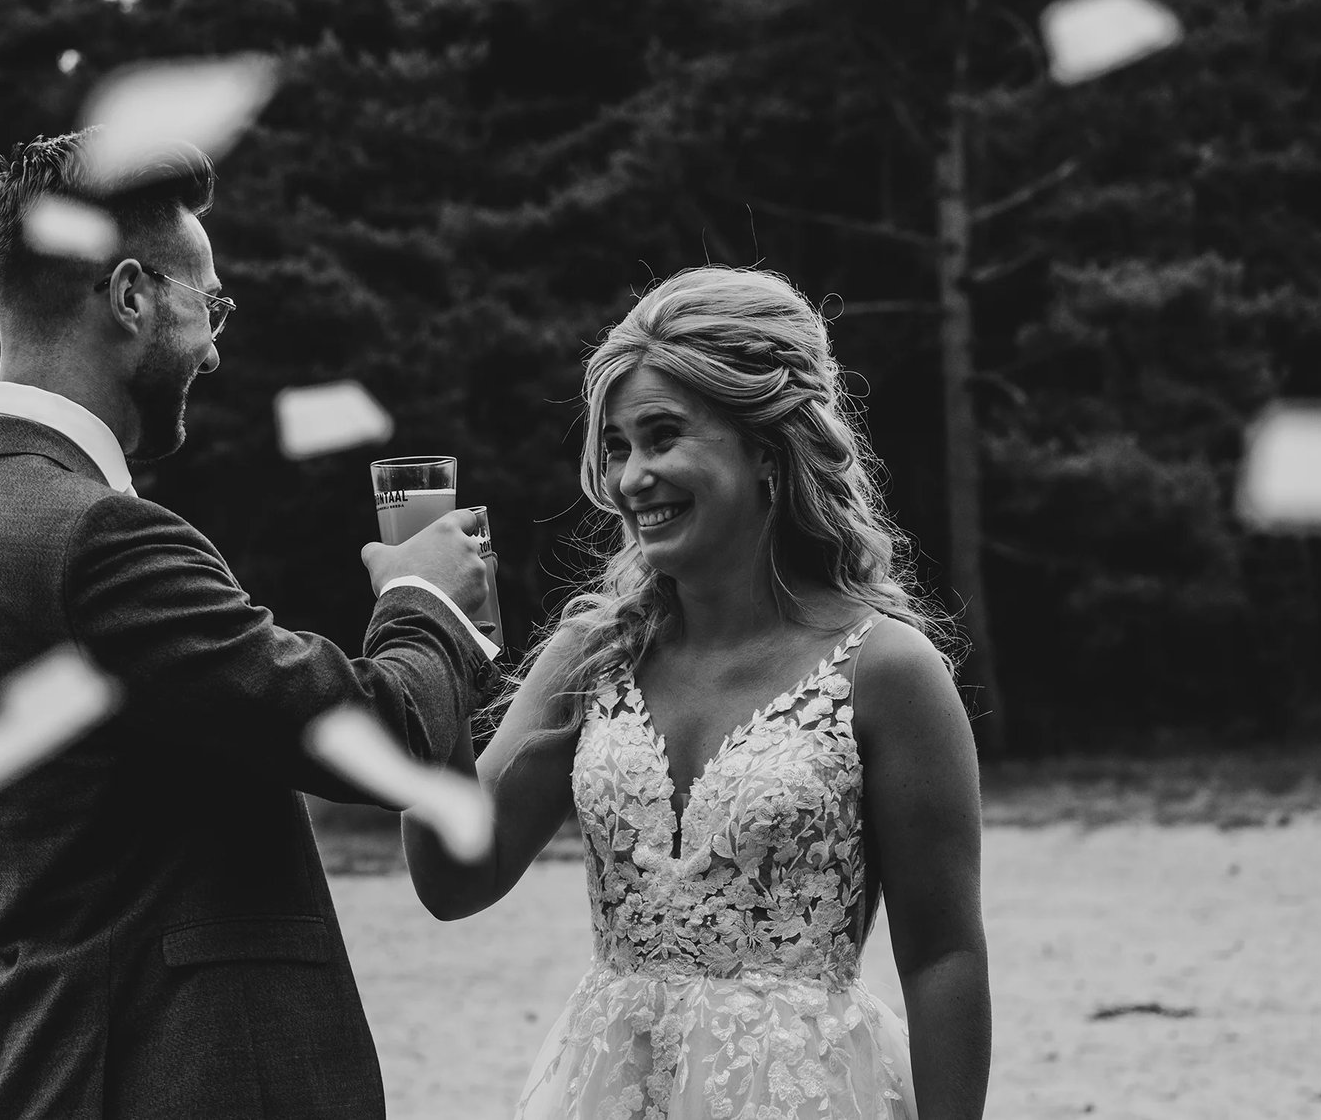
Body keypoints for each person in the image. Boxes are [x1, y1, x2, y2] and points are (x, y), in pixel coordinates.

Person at [0, 131, 499, 1120]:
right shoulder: (104, 538)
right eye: (211, 304)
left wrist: (41, 1038)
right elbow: (381, 737)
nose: (215, 346)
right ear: (130, 297)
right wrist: (427, 598)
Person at [404, 266, 990, 1120]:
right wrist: (438, 648)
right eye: (616, 447)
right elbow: (455, 879)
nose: (633, 475)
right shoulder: (590, 655)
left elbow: (944, 958)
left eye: (663, 435)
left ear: (765, 445)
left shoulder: (888, 671)